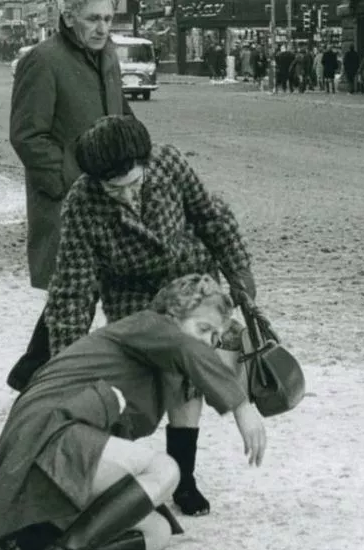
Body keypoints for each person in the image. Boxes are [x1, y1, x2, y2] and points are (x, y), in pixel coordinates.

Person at [0, 273, 268, 550]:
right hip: (45, 434)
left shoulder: (155, 357)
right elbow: (185, 347)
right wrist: (241, 405)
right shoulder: (150, 324)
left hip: (58, 445)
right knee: (165, 470)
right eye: (203, 329)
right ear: (173, 316)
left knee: (157, 532)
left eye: (216, 336)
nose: (208, 342)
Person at [44, 115, 257, 517]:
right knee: (137, 387)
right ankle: (125, 472)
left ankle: (184, 477)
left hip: (188, 280)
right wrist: (69, 358)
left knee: (187, 377)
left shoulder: (170, 163)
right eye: (113, 189)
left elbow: (210, 216)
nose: (125, 196)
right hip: (133, 297)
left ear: (145, 164)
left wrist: (238, 272)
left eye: (134, 184)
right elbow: (73, 287)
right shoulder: (81, 204)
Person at [6, 0, 133, 392]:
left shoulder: (108, 56)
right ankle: (43, 377)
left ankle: (34, 370)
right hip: (68, 200)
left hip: (109, 195)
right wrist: (66, 182)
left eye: (108, 19)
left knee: (86, 287)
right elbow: (27, 135)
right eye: (93, 19)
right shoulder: (43, 60)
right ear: (68, 18)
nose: (102, 28)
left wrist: (137, 153)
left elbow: (121, 114)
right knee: (75, 287)